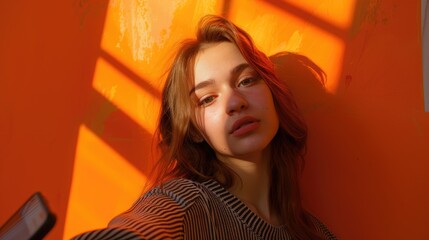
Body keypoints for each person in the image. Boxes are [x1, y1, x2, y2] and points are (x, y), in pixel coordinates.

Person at [73, 15, 336, 240]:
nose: (234, 102)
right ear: (194, 131)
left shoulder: (317, 233)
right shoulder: (185, 204)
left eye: (245, 80)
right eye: (207, 98)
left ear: (273, 95)